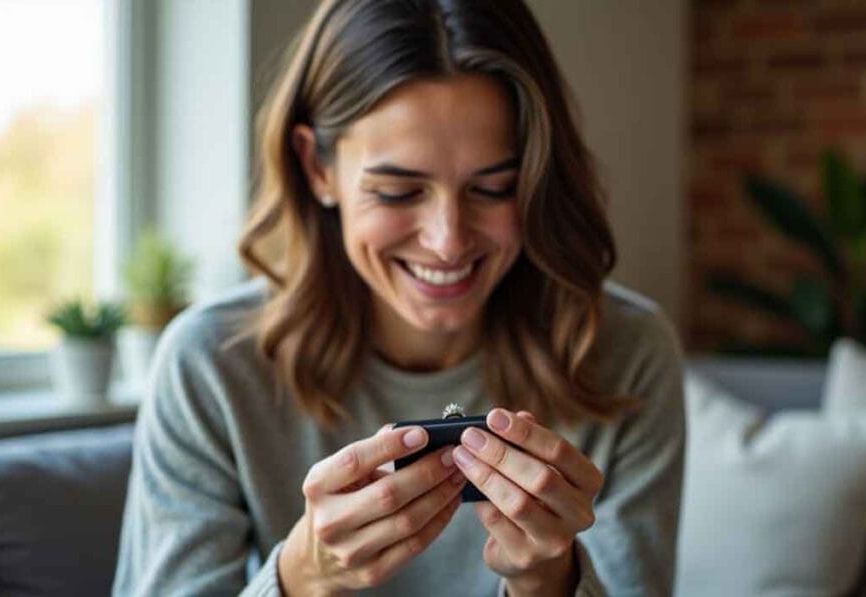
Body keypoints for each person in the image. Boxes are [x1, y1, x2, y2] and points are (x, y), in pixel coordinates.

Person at [113, 0, 684, 595]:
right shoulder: (209, 363)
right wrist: (303, 577)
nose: (447, 241)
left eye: (492, 188)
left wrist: (547, 579)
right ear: (317, 168)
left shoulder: (626, 353)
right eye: (396, 192)